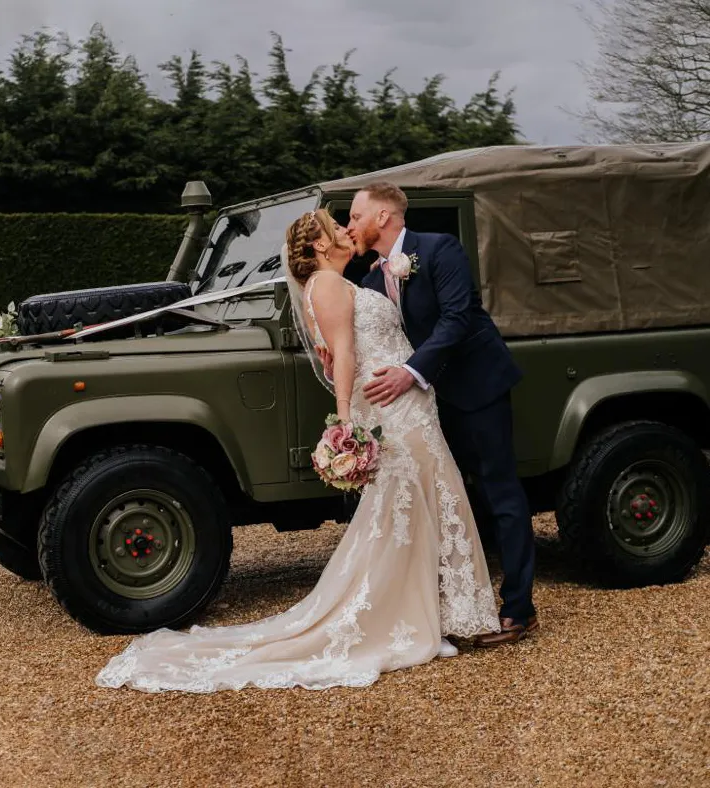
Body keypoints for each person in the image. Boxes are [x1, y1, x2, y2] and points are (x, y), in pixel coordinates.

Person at [95, 209, 500, 693]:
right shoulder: (327, 286)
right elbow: (345, 352)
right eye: (338, 228)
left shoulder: (341, 281)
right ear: (319, 248)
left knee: (419, 503)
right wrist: (346, 418)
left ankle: (435, 611)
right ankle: (412, 616)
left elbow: (340, 350)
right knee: (408, 504)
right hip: (390, 407)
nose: (348, 231)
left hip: (407, 399)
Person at [332, 182, 538, 647]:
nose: (350, 226)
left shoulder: (439, 249)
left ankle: (519, 609)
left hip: (476, 388)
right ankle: (463, 605)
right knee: (454, 500)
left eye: (356, 217)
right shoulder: (368, 280)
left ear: (383, 217)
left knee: (498, 491)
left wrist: (410, 372)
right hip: (425, 406)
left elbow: (458, 317)